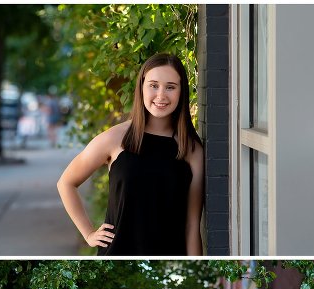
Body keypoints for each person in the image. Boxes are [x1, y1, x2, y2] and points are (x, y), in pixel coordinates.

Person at [57, 53, 204, 255]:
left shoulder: (191, 148)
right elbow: (66, 183)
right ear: (141, 87)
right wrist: (89, 234)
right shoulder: (115, 138)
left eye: (170, 87)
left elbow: (192, 225)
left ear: (181, 92)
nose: (161, 95)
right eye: (153, 85)